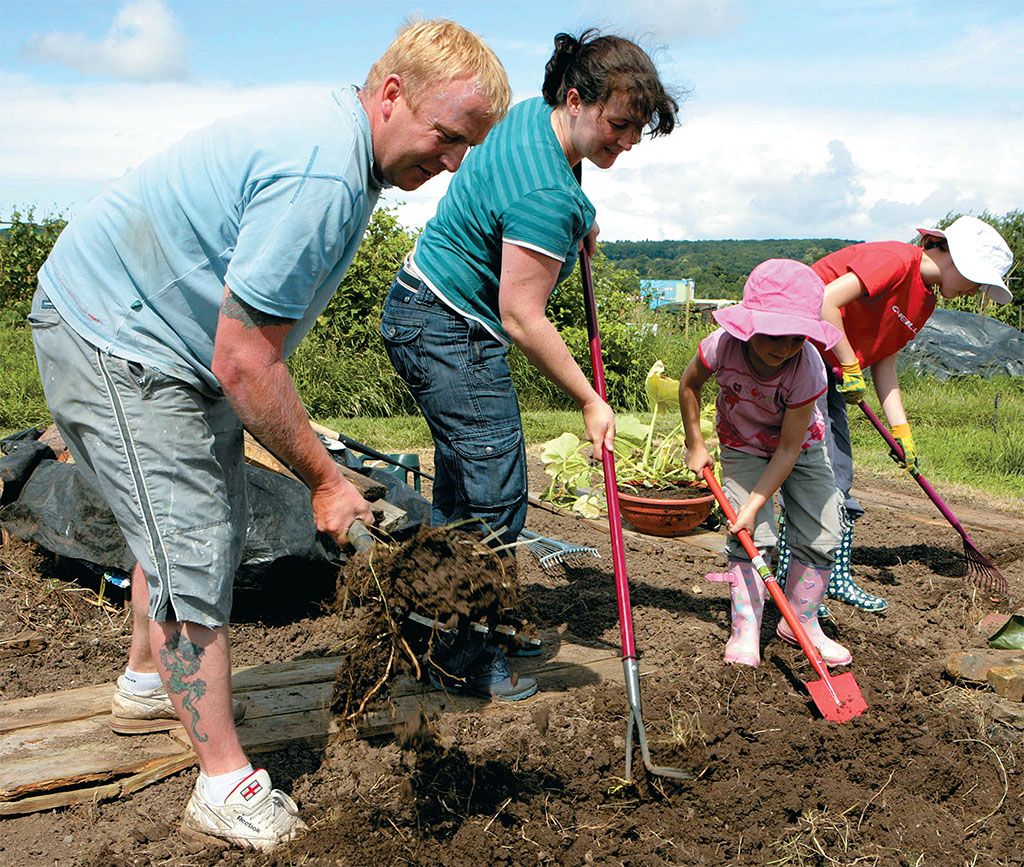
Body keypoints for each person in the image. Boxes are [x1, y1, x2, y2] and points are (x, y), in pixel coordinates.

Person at [29, 19, 509, 852]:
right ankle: (222, 782)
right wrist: (326, 478)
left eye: (468, 146)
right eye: (447, 136)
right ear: (392, 94)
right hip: (113, 335)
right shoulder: (324, 174)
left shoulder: (347, 151)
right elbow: (246, 361)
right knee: (187, 534)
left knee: (196, 514)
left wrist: (301, 441)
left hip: (169, 340)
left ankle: (149, 683)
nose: (453, 161)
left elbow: (248, 346)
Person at [380, 29, 678, 701]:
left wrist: (582, 220)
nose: (626, 143)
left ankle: (446, 630)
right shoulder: (549, 193)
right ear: (575, 98)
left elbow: (538, 192)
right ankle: (464, 658)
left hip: (422, 305)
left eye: (637, 131)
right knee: (494, 499)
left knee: (464, 493)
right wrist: (589, 399)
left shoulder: (529, 123)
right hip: (450, 328)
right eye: (619, 124)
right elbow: (523, 316)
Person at [784, 216, 1015, 612]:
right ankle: (800, 580)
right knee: (816, 468)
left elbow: (884, 360)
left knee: (839, 472)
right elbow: (824, 301)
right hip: (795, 352)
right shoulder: (895, 260)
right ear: (957, 260)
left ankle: (833, 576)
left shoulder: (924, 300)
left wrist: (902, 431)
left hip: (831, 367)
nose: (975, 291)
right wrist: (849, 364)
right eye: (978, 281)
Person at [679, 260, 852, 668]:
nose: (785, 347)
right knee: (752, 535)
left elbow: (789, 449)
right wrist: (695, 443)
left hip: (802, 449)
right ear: (750, 324)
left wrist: (757, 503)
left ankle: (801, 622)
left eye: (797, 337)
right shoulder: (721, 346)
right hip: (742, 446)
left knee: (824, 529)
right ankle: (746, 627)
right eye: (775, 335)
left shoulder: (807, 367)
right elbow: (690, 385)